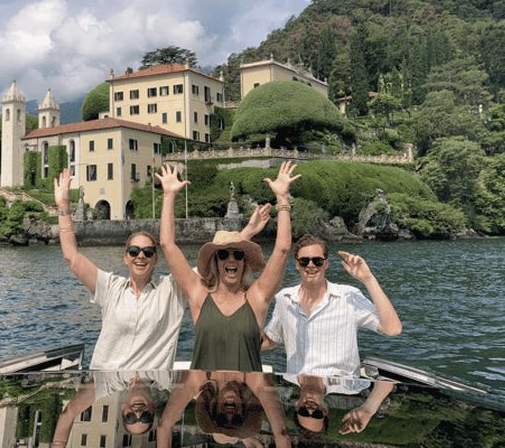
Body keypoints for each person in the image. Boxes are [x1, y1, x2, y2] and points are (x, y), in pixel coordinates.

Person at [54, 168, 272, 370]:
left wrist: (247, 233)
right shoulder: (109, 287)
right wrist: (63, 207)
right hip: (105, 381)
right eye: (134, 251)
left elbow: (218, 261)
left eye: (148, 252)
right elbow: (72, 257)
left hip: (149, 388)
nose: (141, 256)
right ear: (126, 257)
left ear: (156, 259)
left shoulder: (171, 291)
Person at [156, 161, 299, 372]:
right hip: (205, 391)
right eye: (223, 254)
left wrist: (282, 199)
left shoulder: (257, 297)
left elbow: (283, 250)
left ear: (244, 261)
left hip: (248, 391)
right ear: (215, 261)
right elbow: (167, 245)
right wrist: (169, 196)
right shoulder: (199, 294)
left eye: (238, 255)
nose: (231, 260)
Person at [263, 234, 402, 375]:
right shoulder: (284, 298)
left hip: (341, 386)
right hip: (298, 385)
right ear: (297, 265)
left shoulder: (349, 296)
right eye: (304, 261)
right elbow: (271, 340)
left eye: (317, 261)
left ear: (326, 264)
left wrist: (368, 279)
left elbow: (393, 329)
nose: (310, 265)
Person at [157, 370, 291, 448]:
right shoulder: (256, 382)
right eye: (237, 421)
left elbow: (164, 426)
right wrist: (246, 438)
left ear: (213, 408)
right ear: (244, 409)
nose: (229, 415)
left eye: (221, 419)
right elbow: (282, 433)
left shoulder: (197, 380)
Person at [288, 373, 395, 438]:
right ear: (325, 410)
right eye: (317, 414)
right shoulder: (350, 385)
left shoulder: (287, 372)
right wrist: (368, 409)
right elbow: (387, 376)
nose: (310, 410)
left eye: (303, 412)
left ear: (296, 405)